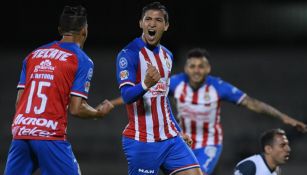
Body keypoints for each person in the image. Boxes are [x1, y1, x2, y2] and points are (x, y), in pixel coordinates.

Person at [4, 5, 114, 175]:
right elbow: (76, 108)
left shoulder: (33, 55)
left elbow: (20, 101)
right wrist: (97, 113)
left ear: (60, 29)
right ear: (84, 31)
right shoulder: (81, 60)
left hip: (20, 132)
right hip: (49, 135)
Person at [168, 48, 307, 174]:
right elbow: (154, 93)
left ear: (208, 68)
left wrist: (284, 118)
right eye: (192, 66)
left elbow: (251, 103)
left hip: (209, 143)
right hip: (184, 141)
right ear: (186, 68)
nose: (196, 70)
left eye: (201, 66)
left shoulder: (218, 86)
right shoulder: (176, 83)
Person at [115, 2, 203, 175]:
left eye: (158, 20)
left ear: (166, 26)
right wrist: (146, 83)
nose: (152, 24)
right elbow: (126, 96)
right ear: (141, 23)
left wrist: (177, 131)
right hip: (143, 141)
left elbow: (162, 98)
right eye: (148, 19)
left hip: (170, 139)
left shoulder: (167, 56)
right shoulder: (129, 54)